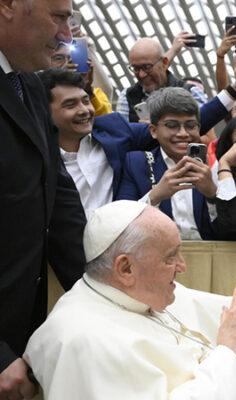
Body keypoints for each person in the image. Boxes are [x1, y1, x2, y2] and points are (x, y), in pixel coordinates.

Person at [23, 200, 236, 399]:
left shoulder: (131, 291)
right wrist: (230, 353)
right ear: (125, 267)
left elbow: (231, 314)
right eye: (171, 257)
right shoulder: (82, 343)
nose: (183, 267)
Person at [0, 0, 86, 397]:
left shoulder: (30, 87)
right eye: (59, 16)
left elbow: (60, 205)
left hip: (21, 336)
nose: (67, 35)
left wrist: (108, 296)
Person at [38, 68, 236, 219]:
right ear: (45, 111)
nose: (84, 110)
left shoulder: (113, 130)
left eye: (85, 101)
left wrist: (235, 89)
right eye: (70, 105)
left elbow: (177, 126)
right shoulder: (35, 156)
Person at [117, 88, 221, 240]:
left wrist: (212, 195)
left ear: (199, 129)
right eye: (172, 125)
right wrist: (154, 197)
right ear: (153, 130)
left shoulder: (215, 165)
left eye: (190, 125)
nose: (183, 133)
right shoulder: (136, 163)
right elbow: (119, 224)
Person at [116, 38, 208, 122]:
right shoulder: (127, 96)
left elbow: (207, 136)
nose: (141, 74)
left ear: (164, 63)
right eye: (136, 68)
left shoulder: (192, 93)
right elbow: (121, 135)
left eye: (147, 67)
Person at [50, 42, 112, 116]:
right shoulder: (41, 92)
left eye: (71, 58)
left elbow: (105, 119)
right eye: (59, 58)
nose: (67, 63)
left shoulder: (95, 93)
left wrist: (87, 89)